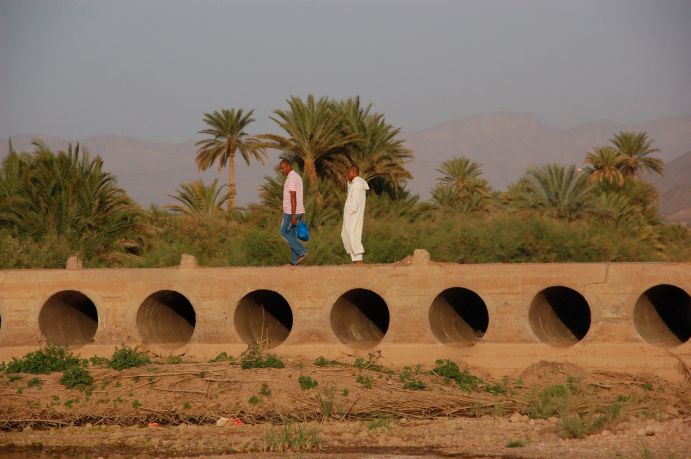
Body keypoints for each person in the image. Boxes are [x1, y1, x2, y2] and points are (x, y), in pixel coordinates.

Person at [279, 159, 308, 265]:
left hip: (292, 212)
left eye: (282, 168)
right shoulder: (296, 176)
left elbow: (293, 197)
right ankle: (294, 261)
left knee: (283, 232)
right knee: (292, 235)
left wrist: (293, 215)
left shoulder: (291, 178)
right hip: (296, 210)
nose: (281, 171)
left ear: (288, 166)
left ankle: (302, 251)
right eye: (280, 169)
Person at [341, 164, 369, 264]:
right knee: (346, 234)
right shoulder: (353, 183)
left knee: (352, 234)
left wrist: (351, 210)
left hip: (353, 213)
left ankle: (359, 258)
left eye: (348, 173)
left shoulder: (357, 183)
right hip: (349, 213)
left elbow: (356, 200)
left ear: (353, 172)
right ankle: (355, 259)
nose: (347, 175)